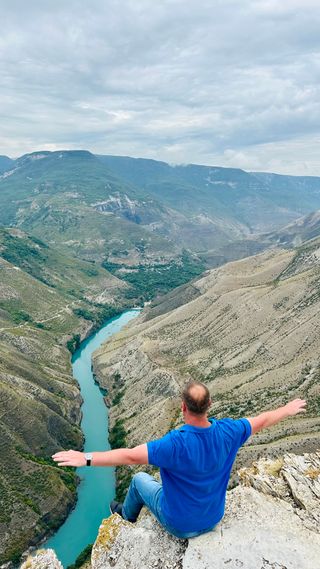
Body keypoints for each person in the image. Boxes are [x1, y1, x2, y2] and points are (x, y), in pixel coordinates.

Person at [52, 381, 306, 539]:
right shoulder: (230, 432)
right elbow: (261, 420)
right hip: (213, 516)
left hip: (180, 525)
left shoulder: (173, 445)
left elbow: (128, 455)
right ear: (210, 405)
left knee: (140, 479)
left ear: (183, 408)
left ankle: (125, 516)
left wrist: (84, 458)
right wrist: (287, 409)